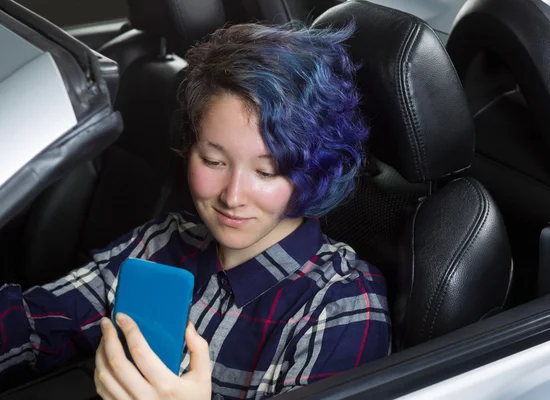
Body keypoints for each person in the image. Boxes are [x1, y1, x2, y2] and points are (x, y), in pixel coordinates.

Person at [0, 21, 391, 399]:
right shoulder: (161, 245)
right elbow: (33, 324)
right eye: (213, 161)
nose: (233, 196)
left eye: (267, 171)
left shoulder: (340, 305)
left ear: (314, 171)